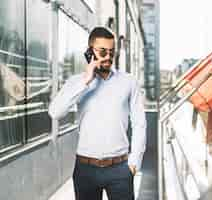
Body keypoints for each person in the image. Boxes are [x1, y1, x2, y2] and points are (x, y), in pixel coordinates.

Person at [48, 27, 146, 200]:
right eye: (102, 51)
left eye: (111, 52)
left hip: (120, 169)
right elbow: (55, 112)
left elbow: (140, 123)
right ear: (89, 51)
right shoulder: (76, 82)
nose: (108, 56)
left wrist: (134, 163)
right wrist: (86, 81)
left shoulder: (129, 82)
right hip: (86, 169)